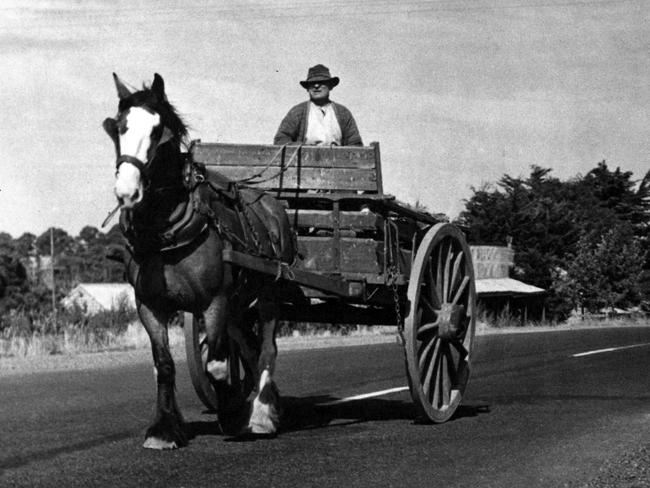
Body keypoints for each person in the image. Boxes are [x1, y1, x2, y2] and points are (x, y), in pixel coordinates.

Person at [273, 64, 363, 146]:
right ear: (307, 88)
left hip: (337, 161)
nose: (316, 86)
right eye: (312, 83)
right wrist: (299, 147)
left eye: (321, 82)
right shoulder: (297, 112)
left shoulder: (343, 113)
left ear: (330, 86)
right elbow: (281, 139)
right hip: (305, 161)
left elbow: (355, 143)